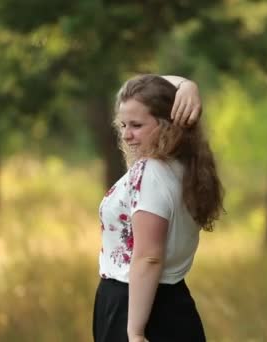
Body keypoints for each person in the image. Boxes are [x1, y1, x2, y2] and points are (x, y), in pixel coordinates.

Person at [92, 74, 224, 342]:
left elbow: (149, 257)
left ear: (167, 124)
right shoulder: (184, 166)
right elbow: (144, 86)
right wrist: (187, 86)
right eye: (123, 125)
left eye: (137, 125)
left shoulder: (149, 172)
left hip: (136, 307)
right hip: (173, 303)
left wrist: (135, 331)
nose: (126, 135)